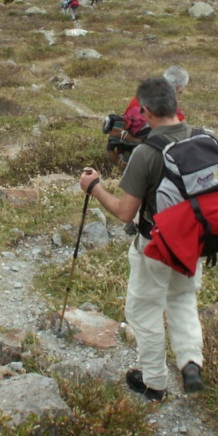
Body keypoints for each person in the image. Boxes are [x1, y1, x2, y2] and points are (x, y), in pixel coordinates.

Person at [80, 77, 206, 402]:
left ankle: (154, 381)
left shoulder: (146, 154)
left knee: (144, 311)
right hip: (195, 244)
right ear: (177, 104)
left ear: (146, 111)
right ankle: (191, 363)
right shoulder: (204, 140)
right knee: (181, 302)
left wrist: (94, 188)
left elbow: (125, 212)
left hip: (156, 246)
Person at [106, 65, 189, 170]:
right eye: (180, 92)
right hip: (151, 160)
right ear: (178, 88)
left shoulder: (139, 98)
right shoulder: (175, 113)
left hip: (125, 154)